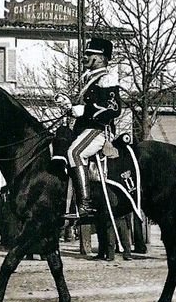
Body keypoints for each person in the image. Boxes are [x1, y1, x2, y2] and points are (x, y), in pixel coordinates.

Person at [51, 37, 122, 222]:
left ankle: (85, 203)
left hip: (99, 130)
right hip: (85, 128)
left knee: (74, 153)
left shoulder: (106, 78)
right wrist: (69, 107)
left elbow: (114, 108)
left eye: (90, 54)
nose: (86, 57)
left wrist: (84, 110)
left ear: (101, 58)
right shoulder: (88, 79)